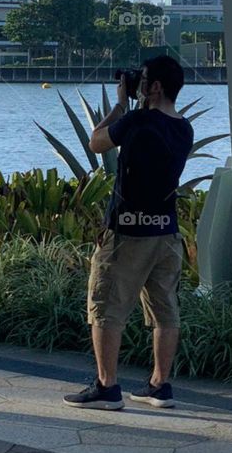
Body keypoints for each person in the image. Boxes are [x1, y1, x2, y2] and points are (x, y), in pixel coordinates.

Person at [63, 55, 193, 411]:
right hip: (166, 233)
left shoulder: (135, 120)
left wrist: (121, 103)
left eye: (144, 80)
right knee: (165, 311)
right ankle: (159, 386)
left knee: (106, 308)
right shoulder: (184, 127)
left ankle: (107, 387)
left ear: (154, 87)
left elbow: (96, 142)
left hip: (126, 232)